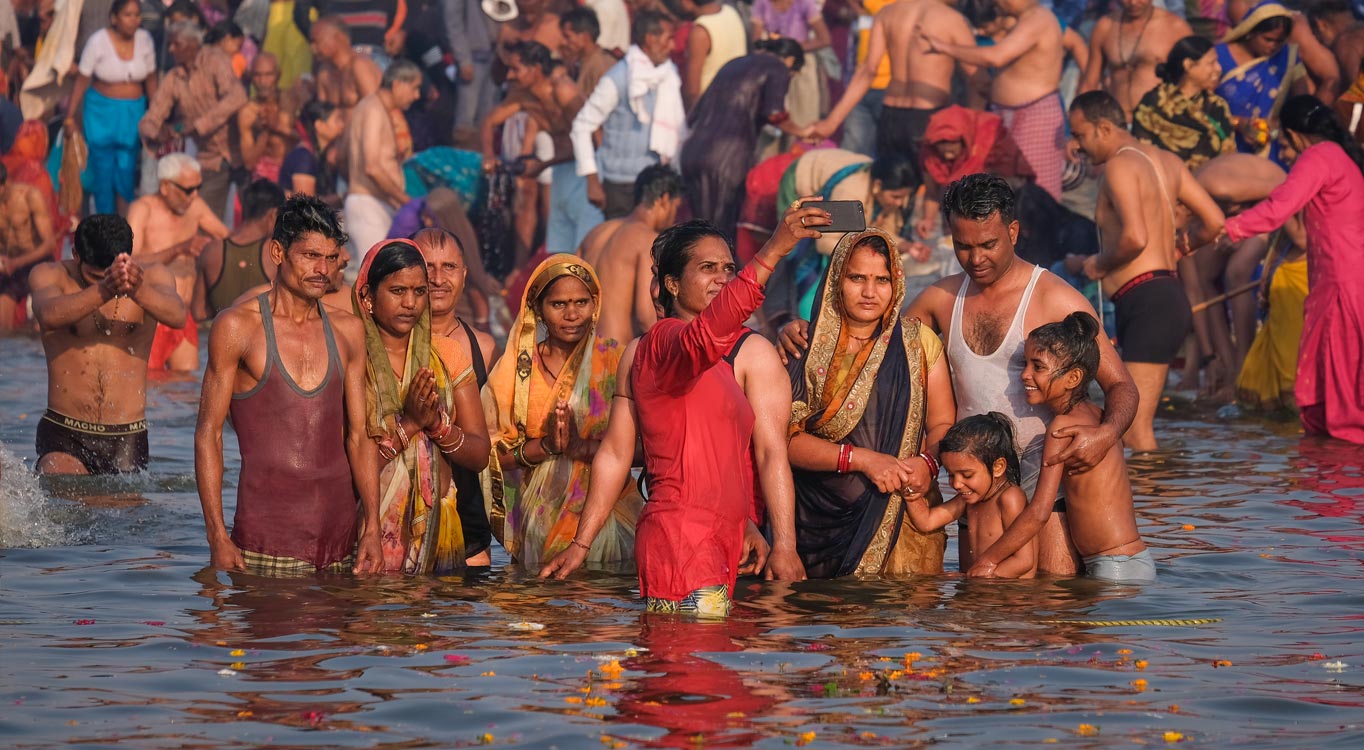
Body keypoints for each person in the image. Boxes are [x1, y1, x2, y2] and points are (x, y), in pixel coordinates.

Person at [541, 209, 819, 614]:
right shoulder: (660, 343)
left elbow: (756, 454)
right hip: (683, 540)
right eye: (707, 268)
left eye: (728, 268)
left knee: (690, 669)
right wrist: (775, 248)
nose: (722, 278)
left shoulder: (739, 351)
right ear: (671, 284)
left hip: (723, 537)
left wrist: (767, 536)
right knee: (689, 669)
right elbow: (616, 454)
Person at [195, 195, 383, 575]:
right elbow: (208, 435)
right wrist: (217, 536)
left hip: (341, 544)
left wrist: (373, 529)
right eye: (310, 256)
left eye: (331, 258)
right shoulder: (238, 328)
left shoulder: (348, 330)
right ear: (278, 252)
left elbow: (361, 437)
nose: (322, 269)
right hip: (264, 545)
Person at [787, 229, 957, 578]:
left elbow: (942, 423)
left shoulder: (918, 343)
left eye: (882, 280)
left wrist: (927, 464)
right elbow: (784, 442)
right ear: (837, 279)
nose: (869, 292)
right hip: (816, 520)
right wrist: (862, 460)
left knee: (903, 624)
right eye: (857, 278)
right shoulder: (804, 346)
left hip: (905, 516)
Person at [1068, 91, 1225, 451]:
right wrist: (1181, 247)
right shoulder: (1167, 160)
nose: (1076, 146)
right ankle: (1157, 504)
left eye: (1079, 135)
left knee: (1134, 433)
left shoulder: (1120, 165)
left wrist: (1097, 264)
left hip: (1147, 302)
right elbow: (1214, 221)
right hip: (1163, 294)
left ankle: (1158, 507)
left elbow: (1135, 237)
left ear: (1104, 128)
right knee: (1130, 430)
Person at [482, 255, 643, 570]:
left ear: (594, 304)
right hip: (535, 531)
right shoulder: (515, 372)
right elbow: (486, 455)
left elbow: (646, 451)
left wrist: (578, 447)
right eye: (559, 304)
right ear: (538, 309)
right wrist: (547, 448)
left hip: (608, 526)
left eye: (581, 302)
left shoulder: (616, 361)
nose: (572, 314)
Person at [1221, 95, 1364, 443]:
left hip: (1341, 285)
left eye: (1284, 142)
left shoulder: (1319, 156)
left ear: (1295, 134)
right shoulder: (1339, 156)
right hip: (1340, 282)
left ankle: (1335, 481)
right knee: (1336, 391)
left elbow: (1277, 208)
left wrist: (1229, 229)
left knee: (1343, 401)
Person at [975, 312, 1155, 582]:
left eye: (1038, 366)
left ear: (1073, 378)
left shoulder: (1062, 427)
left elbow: (1039, 512)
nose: (1024, 375)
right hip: (1132, 560)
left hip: (1113, 567)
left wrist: (989, 560)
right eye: (1025, 364)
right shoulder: (1099, 415)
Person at [354, 239, 492, 573]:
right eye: (397, 290)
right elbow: (342, 464)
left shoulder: (447, 355)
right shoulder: (352, 358)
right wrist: (410, 426)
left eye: (419, 291)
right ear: (368, 297)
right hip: (367, 528)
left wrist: (438, 426)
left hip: (438, 533)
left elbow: (479, 453)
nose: (410, 303)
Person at [29, 214, 185, 474]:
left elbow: (177, 315)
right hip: (65, 431)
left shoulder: (152, 277)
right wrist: (105, 288)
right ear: (75, 254)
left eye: (109, 274)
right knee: (61, 487)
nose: (103, 280)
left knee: (126, 512)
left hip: (127, 436)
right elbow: (47, 314)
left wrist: (137, 290)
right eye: (94, 276)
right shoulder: (50, 275)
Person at [812, 0, 977, 185]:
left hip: (890, 115)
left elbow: (868, 70)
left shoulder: (888, 13)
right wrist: (973, 125)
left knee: (891, 190)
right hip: (928, 117)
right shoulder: (951, 19)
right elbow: (977, 77)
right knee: (936, 194)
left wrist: (831, 122)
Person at [411, 227, 497, 566]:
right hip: (401, 515)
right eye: (426, 266)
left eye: (448, 267)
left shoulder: (485, 348)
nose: (437, 278)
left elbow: (493, 441)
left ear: (464, 274)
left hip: (467, 521)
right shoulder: (382, 344)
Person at [924, 0, 1067, 200]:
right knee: (1005, 187)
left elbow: (996, 57)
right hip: (1007, 114)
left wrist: (945, 47)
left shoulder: (1039, 19)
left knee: (1036, 191)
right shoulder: (1022, 21)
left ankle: (1037, 231)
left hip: (1034, 116)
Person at [679, 37, 811, 238]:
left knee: (698, 232)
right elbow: (774, 114)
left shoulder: (734, 63)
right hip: (726, 161)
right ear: (791, 61)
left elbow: (694, 115)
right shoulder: (778, 68)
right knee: (719, 234)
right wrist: (803, 132)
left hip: (691, 153)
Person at [482, 41, 599, 255]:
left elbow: (590, 141)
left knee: (587, 247)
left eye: (516, 69)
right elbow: (490, 120)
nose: (509, 76)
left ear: (535, 69)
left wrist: (542, 165)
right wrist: (489, 154)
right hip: (560, 172)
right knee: (559, 248)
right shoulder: (522, 97)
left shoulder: (563, 90)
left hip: (586, 173)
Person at [571, 10, 685, 219]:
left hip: (657, 181)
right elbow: (582, 125)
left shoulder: (668, 76)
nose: (673, 46)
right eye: (669, 38)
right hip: (620, 186)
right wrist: (592, 179)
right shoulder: (620, 78)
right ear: (651, 39)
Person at [127, 153, 230, 372]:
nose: (194, 196)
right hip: (150, 315)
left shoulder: (196, 207)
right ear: (165, 187)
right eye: (188, 190)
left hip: (183, 315)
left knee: (185, 384)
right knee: (150, 383)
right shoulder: (142, 209)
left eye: (198, 187)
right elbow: (128, 261)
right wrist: (178, 249)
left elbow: (228, 240)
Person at [904, 413, 1037, 579]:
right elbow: (927, 521)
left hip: (1013, 596)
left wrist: (979, 577)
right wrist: (909, 491)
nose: (956, 484)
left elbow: (1024, 562)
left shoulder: (1010, 498)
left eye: (966, 475)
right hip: (987, 587)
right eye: (951, 475)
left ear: (998, 467)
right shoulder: (969, 499)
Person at [137, 21, 246, 220]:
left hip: (242, 152)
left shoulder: (214, 60)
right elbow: (150, 119)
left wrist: (199, 125)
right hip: (209, 159)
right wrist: (156, 132)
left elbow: (237, 97)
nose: (171, 50)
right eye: (170, 44)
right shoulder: (174, 77)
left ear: (193, 44)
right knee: (205, 221)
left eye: (176, 44)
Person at [65, 0, 157, 215]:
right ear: (114, 18)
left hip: (133, 113)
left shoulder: (145, 40)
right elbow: (82, 81)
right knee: (102, 170)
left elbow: (151, 80)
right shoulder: (97, 41)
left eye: (137, 15)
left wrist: (155, 114)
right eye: (127, 15)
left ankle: (125, 227)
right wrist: (70, 117)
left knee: (126, 170)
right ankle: (105, 228)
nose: (134, 20)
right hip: (101, 113)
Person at [583, 164, 683, 345]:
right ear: (664, 200)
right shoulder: (647, 240)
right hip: (612, 354)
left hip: (580, 353)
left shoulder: (595, 233)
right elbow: (646, 316)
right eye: (676, 207)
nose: (674, 217)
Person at [915, 106, 1036, 239]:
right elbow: (932, 193)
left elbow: (1009, 187)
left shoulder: (991, 141)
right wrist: (928, 219)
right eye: (943, 152)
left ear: (966, 141)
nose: (948, 158)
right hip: (959, 213)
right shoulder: (930, 154)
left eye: (952, 151)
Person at [345, 60, 422, 261]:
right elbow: (372, 167)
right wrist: (405, 200)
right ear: (397, 84)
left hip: (377, 204)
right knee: (375, 279)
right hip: (368, 205)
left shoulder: (377, 109)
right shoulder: (373, 108)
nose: (417, 96)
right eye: (414, 88)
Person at [1215, 2, 1309, 162]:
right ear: (1250, 31)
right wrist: (1238, 123)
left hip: (1273, 146)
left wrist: (1279, 127)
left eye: (1279, 41)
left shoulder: (1287, 57)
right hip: (1224, 142)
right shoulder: (1218, 57)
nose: (1273, 46)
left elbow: (1301, 103)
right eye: (1268, 39)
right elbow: (1201, 107)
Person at [1131, 35, 1238, 170]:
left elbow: (1229, 156)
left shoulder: (1217, 106)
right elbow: (1142, 156)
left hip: (1211, 185)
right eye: (1211, 63)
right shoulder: (1153, 105)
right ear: (1188, 65)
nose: (1218, 68)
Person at [1079, 0, 1192, 118]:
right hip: (1117, 123)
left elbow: (1194, 79)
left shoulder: (1175, 28)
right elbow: (1089, 82)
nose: (1133, 2)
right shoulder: (1105, 26)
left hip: (1158, 122)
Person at [194, 180, 285, 321]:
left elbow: (198, 312)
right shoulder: (273, 252)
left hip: (222, 336)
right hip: (261, 338)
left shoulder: (212, 250)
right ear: (273, 214)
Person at [0, 161, 55, 332]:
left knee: (42, 329)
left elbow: (49, 244)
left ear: (5, 183)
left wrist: (15, 263)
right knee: (3, 329)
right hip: (10, 268)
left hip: (37, 262)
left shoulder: (30, 196)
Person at [446, 0, 502, 145]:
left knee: (490, 117)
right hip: (472, 58)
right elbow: (453, 24)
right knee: (465, 121)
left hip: (497, 57)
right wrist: (463, 59)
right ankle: (463, 162)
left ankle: (483, 161)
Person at [674, 0, 747, 109]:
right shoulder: (731, 12)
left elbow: (692, 92)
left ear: (686, 2)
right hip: (738, 101)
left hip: (711, 111)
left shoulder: (700, 32)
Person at [237, 51, 296, 185]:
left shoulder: (290, 101)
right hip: (264, 180)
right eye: (258, 75)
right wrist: (265, 132)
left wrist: (278, 127)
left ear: (278, 75)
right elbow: (249, 163)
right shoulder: (247, 113)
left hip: (294, 173)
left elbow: (308, 144)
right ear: (251, 77)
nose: (263, 82)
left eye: (268, 75)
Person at [310, 15, 381, 114]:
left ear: (339, 38)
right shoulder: (324, 73)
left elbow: (377, 111)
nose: (313, 48)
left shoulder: (359, 66)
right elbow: (323, 116)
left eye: (317, 41)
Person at [281, 99, 345, 199]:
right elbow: (306, 205)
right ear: (319, 126)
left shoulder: (322, 153)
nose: (342, 125)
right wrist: (342, 198)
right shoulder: (303, 158)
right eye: (337, 120)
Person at [1308, 0, 1364, 101]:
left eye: (1315, 35)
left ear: (1320, 24)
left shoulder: (1346, 42)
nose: (1319, 42)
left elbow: (1357, 93)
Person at [560, 6, 619, 99]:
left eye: (567, 37)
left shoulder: (602, 66)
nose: (563, 42)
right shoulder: (579, 63)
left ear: (584, 36)